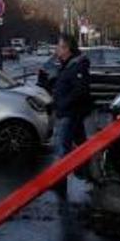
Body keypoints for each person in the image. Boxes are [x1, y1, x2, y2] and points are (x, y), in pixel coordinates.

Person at [51, 33, 91, 195]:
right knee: (80, 147)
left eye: (58, 46)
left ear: (66, 48)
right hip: (70, 112)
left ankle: (60, 182)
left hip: (69, 113)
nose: (56, 49)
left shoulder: (75, 66)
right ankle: (88, 173)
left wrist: (62, 104)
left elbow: (79, 90)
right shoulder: (67, 64)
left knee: (62, 148)